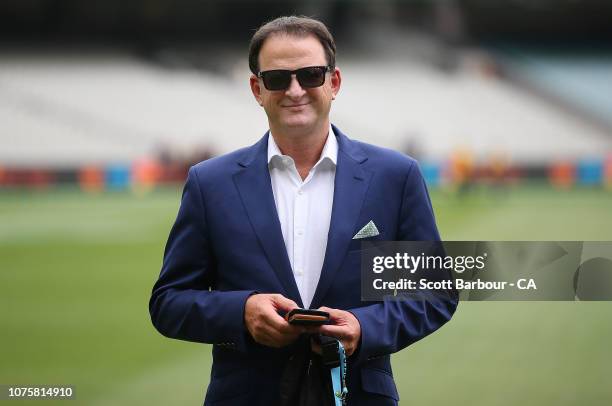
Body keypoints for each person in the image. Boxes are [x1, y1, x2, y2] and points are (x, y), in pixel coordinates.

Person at [149, 16, 457, 406]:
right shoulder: (210, 183)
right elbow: (168, 302)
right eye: (278, 78)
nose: (295, 90)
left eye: (310, 74)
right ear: (257, 89)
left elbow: (433, 294)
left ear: (334, 82)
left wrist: (364, 328)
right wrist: (241, 312)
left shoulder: (395, 177)